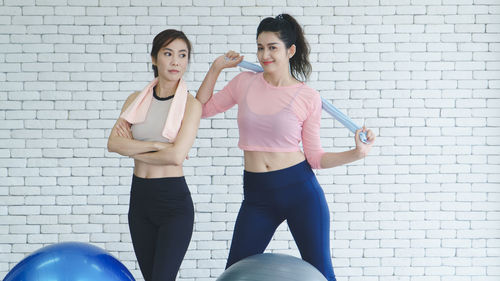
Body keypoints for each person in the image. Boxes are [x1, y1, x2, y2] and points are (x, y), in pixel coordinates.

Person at [196, 14, 376, 281]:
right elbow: (202, 108)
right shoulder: (243, 83)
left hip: (300, 192)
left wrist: (357, 154)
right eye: (260, 47)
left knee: (322, 274)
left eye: (272, 47)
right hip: (257, 196)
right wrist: (215, 69)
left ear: (290, 50)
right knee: (233, 274)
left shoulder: (307, 97)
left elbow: (315, 157)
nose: (264, 54)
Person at [107, 29, 201, 281]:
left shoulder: (191, 105)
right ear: (153, 58)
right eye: (168, 53)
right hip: (140, 202)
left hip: (173, 204)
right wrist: (159, 147)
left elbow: (175, 157)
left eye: (182, 55)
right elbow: (113, 143)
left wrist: (136, 148)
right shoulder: (134, 100)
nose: (175, 61)